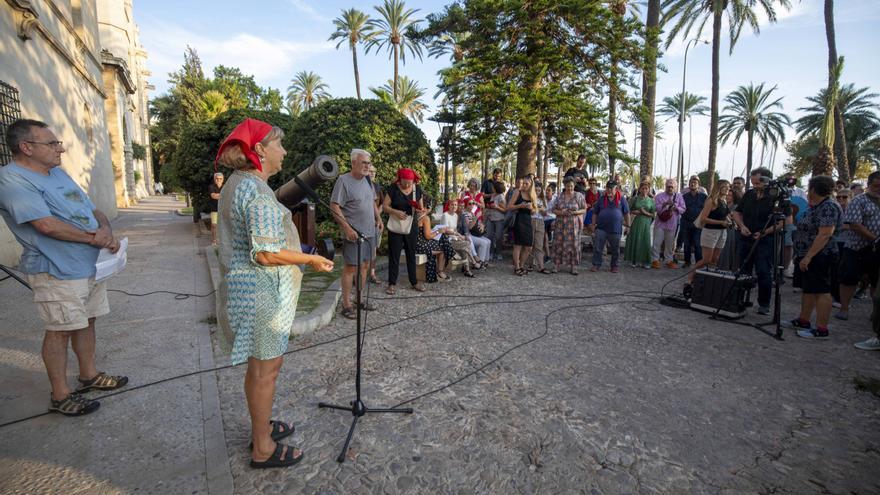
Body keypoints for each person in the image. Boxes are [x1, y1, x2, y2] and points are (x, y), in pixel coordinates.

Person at [214, 118, 334, 469]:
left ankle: (261, 427)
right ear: (260, 151)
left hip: (251, 293)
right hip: (261, 296)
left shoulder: (239, 184)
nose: (284, 151)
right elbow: (265, 252)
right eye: (278, 144)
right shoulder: (254, 189)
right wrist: (310, 258)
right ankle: (263, 447)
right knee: (265, 370)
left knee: (262, 367)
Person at [0, 118, 128, 417]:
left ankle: (89, 375)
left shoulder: (57, 173)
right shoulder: (12, 179)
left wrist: (105, 230)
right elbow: (45, 225)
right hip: (55, 269)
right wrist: (95, 238)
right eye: (52, 143)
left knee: (87, 320)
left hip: (89, 264)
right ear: (26, 147)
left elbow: (91, 208)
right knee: (59, 329)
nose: (60, 148)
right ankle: (60, 395)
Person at [778, 175, 841, 339]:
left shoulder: (828, 207)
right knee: (809, 289)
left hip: (820, 255)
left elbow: (825, 234)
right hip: (808, 255)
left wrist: (808, 257)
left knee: (822, 291)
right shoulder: (817, 206)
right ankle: (803, 319)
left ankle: (821, 328)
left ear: (813, 189)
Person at [330, 149, 384, 320]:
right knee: (351, 268)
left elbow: (372, 202)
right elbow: (334, 206)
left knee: (366, 267)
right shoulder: (343, 181)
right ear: (353, 163)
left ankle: (359, 300)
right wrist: (347, 228)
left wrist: (378, 217)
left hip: (370, 232)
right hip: (354, 234)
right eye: (364, 163)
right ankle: (346, 305)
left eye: (369, 163)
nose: (367, 166)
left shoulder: (368, 180)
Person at [731, 167, 788, 315]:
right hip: (746, 237)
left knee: (763, 271)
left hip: (766, 240)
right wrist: (741, 226)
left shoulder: (777, 197)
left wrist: (765, 232)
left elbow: (785, 221)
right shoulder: (749, 194)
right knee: (744, 270)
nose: (755, 186)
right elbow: (737, 212)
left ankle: (764, 304)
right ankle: (740, 300)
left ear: (767, 181)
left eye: (758, 183)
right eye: (753, 183)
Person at [836, 171, 880, 323]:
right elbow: (854, 224)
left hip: (877, 251)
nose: (878, 189)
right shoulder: (859, 201)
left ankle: (875, 313)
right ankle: (844, 308)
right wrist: (875, 239)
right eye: (876, 186)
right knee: (849, 278)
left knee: (875, 280)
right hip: (856, 247)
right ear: (869, 185)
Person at [383, 168, 425, 295]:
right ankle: (391, 283)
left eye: (409, 182)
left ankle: (414, 281)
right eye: (405, 182)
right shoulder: (393, 188)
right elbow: (385, 207)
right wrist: (395, 212)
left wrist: (420, 210)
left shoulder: (417, 189)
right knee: (394, 255)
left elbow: (421, 207)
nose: (407, 185)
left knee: (411, 253)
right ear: (399, 179)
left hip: (411, 226)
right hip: (396, 226)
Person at [685, 180, 731, 285]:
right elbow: (703, 219)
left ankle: (709, 279)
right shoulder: (711, 200)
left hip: (722, 232)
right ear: (719, 188)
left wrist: (731, 223)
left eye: (729, 187)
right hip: (710, 232)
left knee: (715, 259)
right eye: (725, 187)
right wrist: (721, 222)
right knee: (706, 259)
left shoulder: (723, 201)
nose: (728, 189)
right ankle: (690, 276)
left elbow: (727, 216)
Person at [590, 181, 630, 273]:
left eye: (611, 188)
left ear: (616, 189)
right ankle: (596, 264)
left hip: (615, 229)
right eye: (607, 188)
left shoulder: (622, 199)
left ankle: (614, 265)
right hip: (601, 228)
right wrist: (593, 225)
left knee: (615, 249)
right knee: (598, 247)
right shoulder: (601, 199)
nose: (609, 190)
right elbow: (595, 213)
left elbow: (627, 213)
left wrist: (628, 226)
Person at [551, 178, 587, 274]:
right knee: (558, 244)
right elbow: (553, 209)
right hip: (560, 224)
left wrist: (576, 212)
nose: (569, 188)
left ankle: (573, 266)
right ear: (564, 186)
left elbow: (584, 209)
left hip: (573, 225)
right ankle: (556, 265)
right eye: (567, 186)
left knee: (573, 245)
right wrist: (561, 212)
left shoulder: (578, 196)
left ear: (574, 185)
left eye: (571, 186)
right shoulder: (560, 196)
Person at [651, 179, 685, 269]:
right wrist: (664, 204)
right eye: (668, 187)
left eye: (672, 187)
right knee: (657, 242)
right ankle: (655, 260)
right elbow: (655, 208)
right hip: (660, 223)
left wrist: (676, 207)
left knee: (669, 244)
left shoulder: (679, 197)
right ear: (665, 187)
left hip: (672, 224)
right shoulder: (659, 196)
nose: (670, 188)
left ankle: (669, 260)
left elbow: (683, 209)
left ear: (675, 188)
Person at [415, 208, 456, 282]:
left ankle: (451, 254)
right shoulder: (425, 218)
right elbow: (428, 236)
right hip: (421, 246)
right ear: (427, 209)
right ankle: (440, 272)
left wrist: (434, 231)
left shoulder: (414, 216)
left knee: (442, 241)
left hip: (415, 245)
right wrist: (438, 231)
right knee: (443, 246)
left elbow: (422, 234)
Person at [508, 176, 537, 276]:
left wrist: (531, 209)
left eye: (526, 184)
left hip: (528, 221)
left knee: (529, 246)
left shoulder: (532, 195)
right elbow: (509, 207)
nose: (523, 185)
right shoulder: (517, 192)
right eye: (523, 183)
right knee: (518, 245)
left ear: (531, 185)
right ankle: (517, 267)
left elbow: (534, 211)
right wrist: (520, 206)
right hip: (519, 220)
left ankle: (521, 265)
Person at [624, 182, 655, 268]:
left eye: (646, 189)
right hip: (635, 222)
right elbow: (627, 210)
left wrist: (644, 212)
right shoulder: (635, 199)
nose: (644, 190)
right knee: (635, 240)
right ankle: (634, 260)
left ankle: (645, 261)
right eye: (643, 188)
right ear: (639, 189)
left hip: (646, 223)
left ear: (649, 190)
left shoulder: (651, 200)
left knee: (645, 241)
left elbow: (653, 215)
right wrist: (635, 211)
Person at [681, 175, 707, 268]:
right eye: (691, 182)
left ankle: (698, 263)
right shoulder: (684, 196)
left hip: (698, 224)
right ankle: (687, 261)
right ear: (689, 185)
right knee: (686, 244)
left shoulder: (704, 197)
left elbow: (706, 209)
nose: (692, 184)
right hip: (686, 222)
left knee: (697, 244)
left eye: (695, 183)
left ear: (698, 185)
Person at [366, 164, 383, 284]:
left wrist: (378, 216)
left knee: (373, 250)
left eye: (374, 172)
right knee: (361, 249)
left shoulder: (377, 186)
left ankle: (372, 274)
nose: (372, 174)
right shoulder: (361, 185)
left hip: (374, 223)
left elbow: (382, 203)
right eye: (370, 171)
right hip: (362, 222)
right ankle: (358, 275)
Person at [484, 181, 507, 261]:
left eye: (493, 187)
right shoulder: (493, 195)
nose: (492, 188)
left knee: (498, 237)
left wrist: (496, 207)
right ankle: (491, 253)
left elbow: (504, 210)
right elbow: (493, 205)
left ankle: (498, 253)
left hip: (499, 219)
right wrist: (489, 206)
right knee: (489, 236)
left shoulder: (501, 196)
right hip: (491, 218)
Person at [208, 172, 225, 245]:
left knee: (223, 226)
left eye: (220, 179)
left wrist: (217, 195)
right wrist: (222, 195)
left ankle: (222, 240)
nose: (219, 180)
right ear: (214, 179)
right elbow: (213, 196)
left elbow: (227, 196)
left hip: (223, 209)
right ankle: (214, 240)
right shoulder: (211, 187)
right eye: (217, 179)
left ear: (223, 180)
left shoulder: (225, 187)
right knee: (214, 225)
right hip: (214, 209)